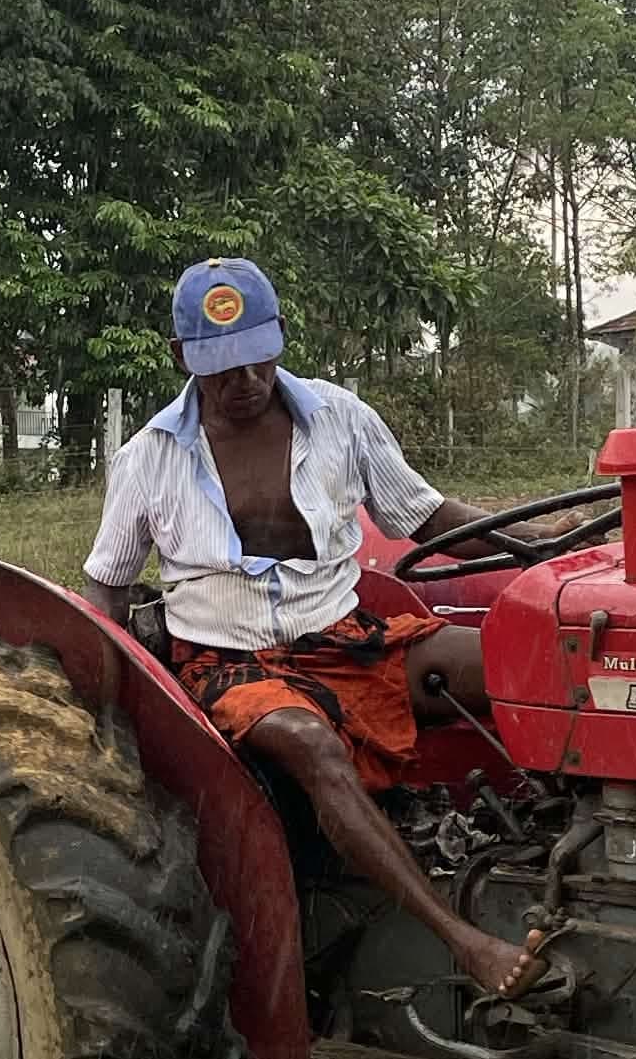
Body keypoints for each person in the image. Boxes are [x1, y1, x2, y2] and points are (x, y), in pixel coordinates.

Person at [80, 257, 545, 1004]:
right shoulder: (148, 459)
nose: (246, 381)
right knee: (310, 744)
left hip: (345, 637)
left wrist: (549, 548)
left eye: (258, 358)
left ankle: (562, 866)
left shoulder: (339, 418)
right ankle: (461, 940)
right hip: (229, 665)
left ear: (280, 338)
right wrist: (100, 681)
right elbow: (107, 577)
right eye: (223, 367)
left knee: (514, 664)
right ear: (182, 359)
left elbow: (423, 518)